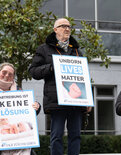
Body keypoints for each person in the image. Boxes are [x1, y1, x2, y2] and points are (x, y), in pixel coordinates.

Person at [28, 18, 92, 155]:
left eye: (69, 26)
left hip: (76, 101)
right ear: (55, 29)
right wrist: (51, 67)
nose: (67, 29)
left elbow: (84, 78)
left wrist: (89, 99)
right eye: (63, 26)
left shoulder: (77, 52)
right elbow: (33, 71)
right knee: (56, 136)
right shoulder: (44, 49)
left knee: (75, 136)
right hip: (57, 101)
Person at [0, 62, 41, 155]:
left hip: (14, 145)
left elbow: (28, 114)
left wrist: (36, 107)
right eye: (4, 72)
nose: (6, 75)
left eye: (10, 74)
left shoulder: (19, 92)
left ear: (13, 78)